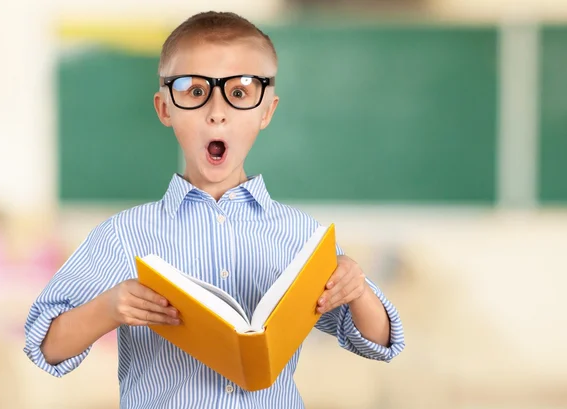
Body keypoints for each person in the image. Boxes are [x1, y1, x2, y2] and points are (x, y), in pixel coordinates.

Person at [23, 11, 405, 409]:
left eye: (239, 92)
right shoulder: (124, 235)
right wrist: (108, 308)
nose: (217, 111)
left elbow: (379, 343)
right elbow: (45, 345)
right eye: (193, 90)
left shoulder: (301, 235)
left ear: (267, 111)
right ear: (165, 108)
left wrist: (357, 288)